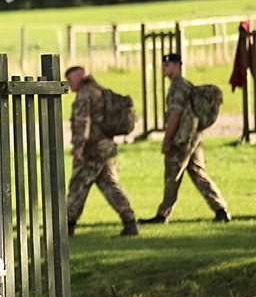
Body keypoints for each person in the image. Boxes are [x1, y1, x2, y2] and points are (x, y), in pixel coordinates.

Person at [140, 53, 231, 224]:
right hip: (194, 136)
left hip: (182, 138)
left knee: (172, 175)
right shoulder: (185, 85)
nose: (165, 68)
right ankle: (220, 209)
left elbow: (175, 115)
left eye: (169, 65)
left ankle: (162, 215)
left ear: (178, 66)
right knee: (197, 172)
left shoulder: (177, 87)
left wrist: (167, 140)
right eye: (164, 65)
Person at [64, 66, 140, 237]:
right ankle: (130, 222)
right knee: (110, 186)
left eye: (70, 79)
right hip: (106, 146)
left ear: (80, 76)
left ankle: (67, 227)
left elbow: (81, 123)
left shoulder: (84, 95)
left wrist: (78, 148)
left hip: (92, 150)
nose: (69, 84)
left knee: (78, 186)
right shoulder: (100, 90)